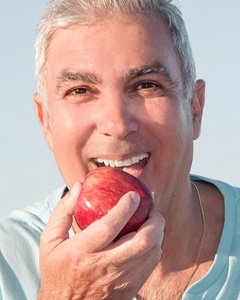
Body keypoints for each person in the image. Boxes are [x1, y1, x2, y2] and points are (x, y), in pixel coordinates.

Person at [1, 0, 240, 299]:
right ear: (46, 122)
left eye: (146, 85)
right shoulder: (6, 261)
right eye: (80, 91)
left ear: (194, 109)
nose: (117, 123)